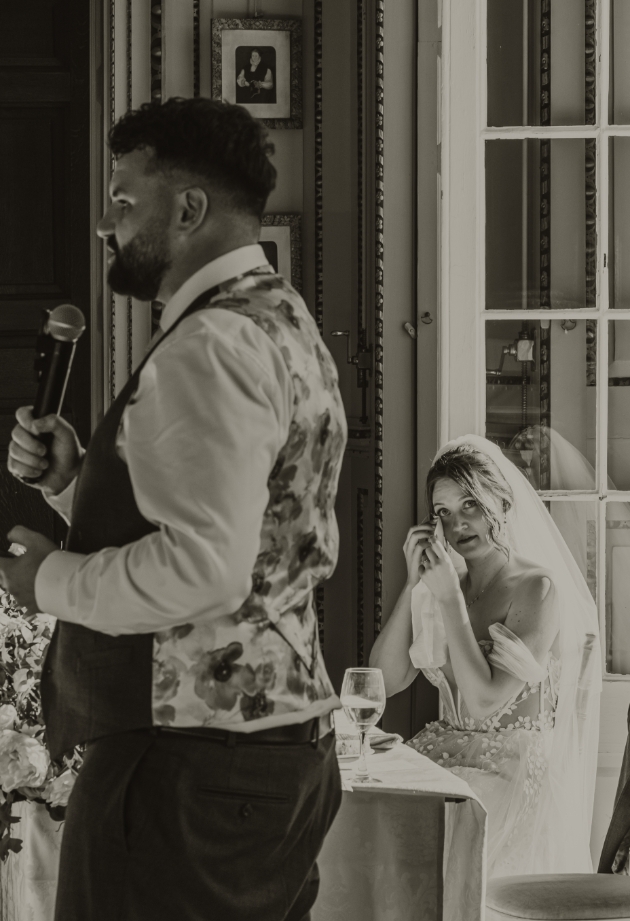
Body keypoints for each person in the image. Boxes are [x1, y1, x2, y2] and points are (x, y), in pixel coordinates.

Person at [0, 97, 347, 921]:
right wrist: (74, 481)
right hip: (272, 757)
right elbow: (243, 531)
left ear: (188, 208)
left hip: (189, 768)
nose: (103, 225)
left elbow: (202, 568)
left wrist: (51, 580)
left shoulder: (208, 345)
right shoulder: (281, 318)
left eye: (123, 200)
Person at [370, 435, 601, 879]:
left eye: (470, 504)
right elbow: (383, 680)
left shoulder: (537, 588)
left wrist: (450, 601)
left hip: (509, 776)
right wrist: (413, 583)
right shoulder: (441, 581)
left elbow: (484, 701)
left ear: (502, 502)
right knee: (374, 816)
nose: (458, 525)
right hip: (446, 756)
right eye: (444, 513)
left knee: (436, 844)